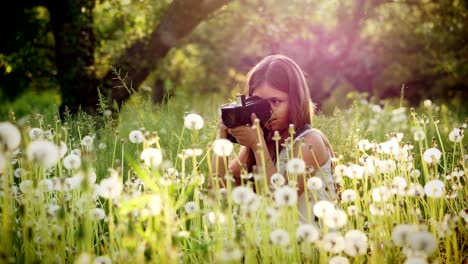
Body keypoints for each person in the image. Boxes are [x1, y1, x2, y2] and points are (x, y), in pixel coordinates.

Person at [212, 54, 338, 223]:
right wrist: (222, 139)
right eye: (259, 103)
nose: (268, 111)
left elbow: (279, 203)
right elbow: (219, 189)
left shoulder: (310, 142)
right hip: (271, 244)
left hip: (313, 245)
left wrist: (257, 146)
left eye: (275, 101)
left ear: (295, 100)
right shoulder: (264, 141)